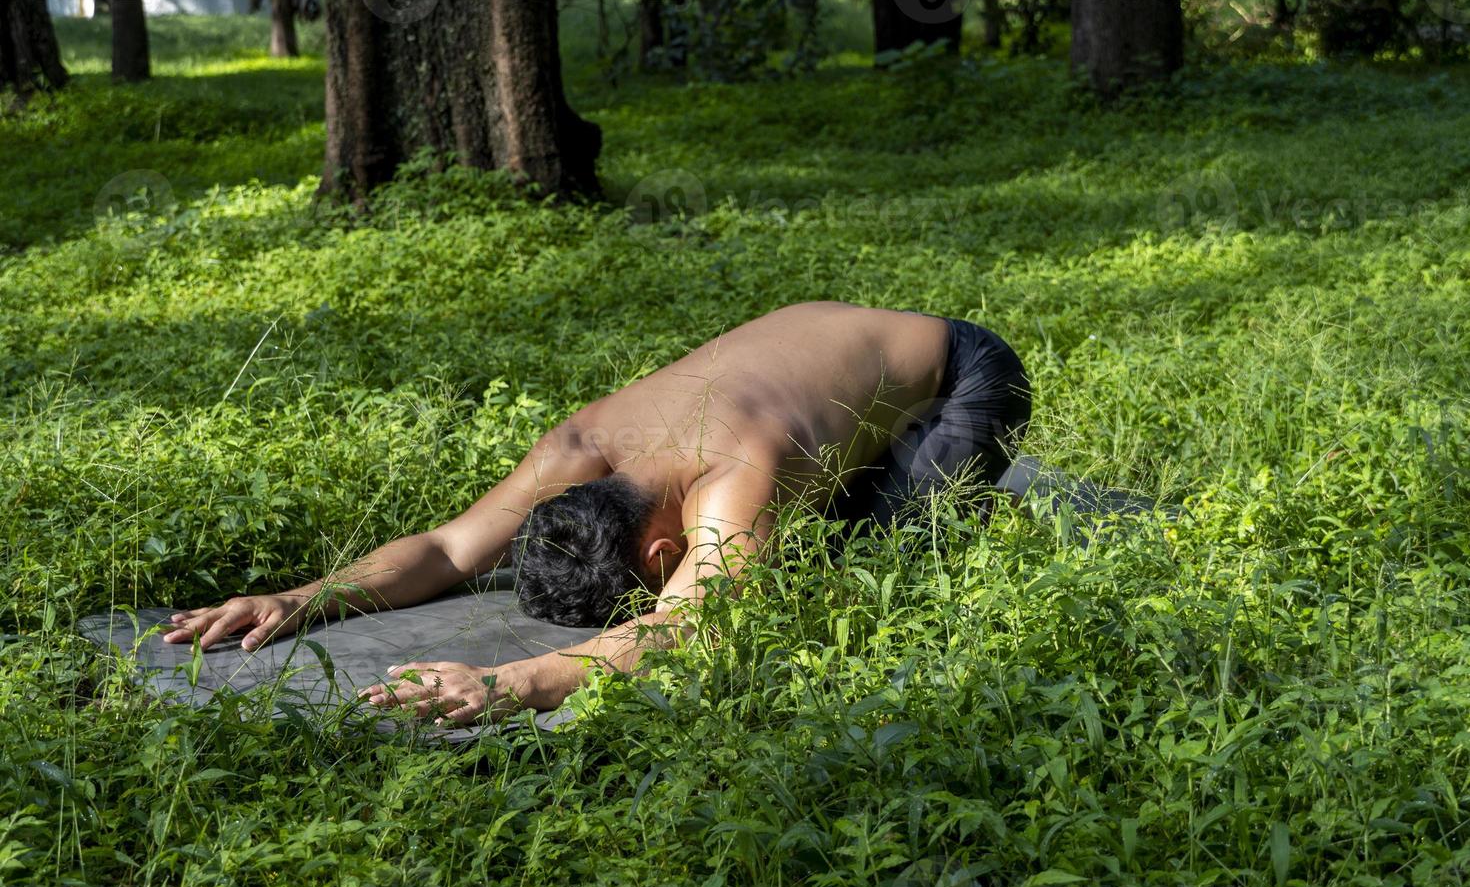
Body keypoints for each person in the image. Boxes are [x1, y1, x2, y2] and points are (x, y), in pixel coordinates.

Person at [158, 302, 1030, 724]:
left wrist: (512, 681)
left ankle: (926, 489)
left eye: (648, 587)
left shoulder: (736, 472)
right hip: (819, 360)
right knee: (790, 549)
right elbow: (449, 547)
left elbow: (699, 623)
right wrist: (306, 595)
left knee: (851, 570)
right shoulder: (582, 445)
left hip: (959, 374)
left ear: (662, 556)